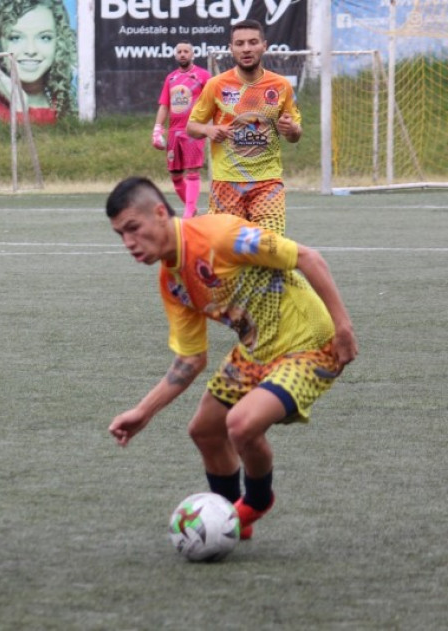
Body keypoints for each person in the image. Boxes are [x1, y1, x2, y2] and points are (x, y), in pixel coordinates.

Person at [105, 176, 357, 540]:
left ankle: (256, 503)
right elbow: (189, 360)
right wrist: (143, 411)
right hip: (256, 351)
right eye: (120, 235)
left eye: (133, 228)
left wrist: (343, 327)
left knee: (240, 424)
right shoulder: (172, 282)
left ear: (160, 213)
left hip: (309, 343)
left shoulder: (221, 235)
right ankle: (229, 519)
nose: (128, 243)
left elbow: (307, 257)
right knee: (204, 430)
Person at [186, 19, 302, 236]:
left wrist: (292, 130)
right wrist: (208, 130)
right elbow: (191, 126)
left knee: (270, 248)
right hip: (226, 183)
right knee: (228, 254)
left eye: (252, 42)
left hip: (267, 183)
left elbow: (295, 134)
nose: (246, 48)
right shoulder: (216, 85)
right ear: (231, 48)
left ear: (264, 46)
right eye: (239, 44)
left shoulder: (280, 86)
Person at [0, 0, 77, 127]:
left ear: (59, 45)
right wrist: (19, 107)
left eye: (44, 37)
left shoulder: (67, 109)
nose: (31, 50)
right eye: (15, 38)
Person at [152, 42, 210, 219]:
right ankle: (191, 208)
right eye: (179, 52)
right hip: (173, 132)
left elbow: (213, 100)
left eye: (186, 51)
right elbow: (164, 105)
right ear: (176, 55)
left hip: (193, 130)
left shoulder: (203, 75)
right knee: (175, 175)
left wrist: (208, 125)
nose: (183, 54)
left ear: (193, 54)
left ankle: (188, 212)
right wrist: (157, 129)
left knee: (192, 171)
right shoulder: (171, 78)